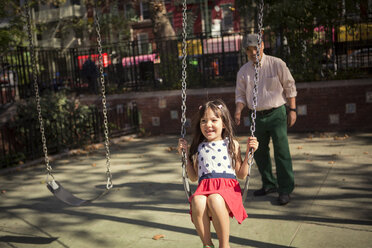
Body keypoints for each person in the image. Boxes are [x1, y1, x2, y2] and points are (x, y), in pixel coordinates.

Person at [177, 99, 258, 248]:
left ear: (224, 123)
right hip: (204, 189)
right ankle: (207, 244)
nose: (208, 125)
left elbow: (241, 174)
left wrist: (249, 154)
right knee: (196, 200)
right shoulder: (199, 147)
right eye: (203, 121)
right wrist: (186, 156)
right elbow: (194, 177)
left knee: (215, 198)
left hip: (226, 190)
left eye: (214, 120)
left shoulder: (231, 144)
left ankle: (224, 245)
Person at [235, 33, 297, 205]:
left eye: (255, 47)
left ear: (262, 46)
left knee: (281, 151)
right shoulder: (244, 71)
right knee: (259, 152)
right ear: (246, 51)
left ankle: (285, 189)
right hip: (256, 116)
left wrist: (292, 110)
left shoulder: (276, 64)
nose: (253, 52)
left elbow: (290, 87)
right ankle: (269, 183)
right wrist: (238, 111)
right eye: (249, 49)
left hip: (276, 113)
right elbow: (240, 95)